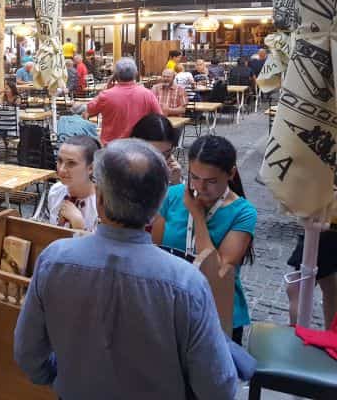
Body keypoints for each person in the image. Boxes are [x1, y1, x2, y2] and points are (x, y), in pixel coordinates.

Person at [15, 139, 238, 399]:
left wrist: (60, 375)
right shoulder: (186, 283)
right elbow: (218, 387)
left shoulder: (54, 260)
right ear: (156, 208)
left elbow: (27, 353)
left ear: (99, 200)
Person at [151, 135, 257, 344]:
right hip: (171, 306)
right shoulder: (172, 196)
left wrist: (197, 216)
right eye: (195, 177)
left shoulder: (243, 212)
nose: (200, 187)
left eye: (211, 181)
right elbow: (156, 251)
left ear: (231, 174)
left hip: (217, 311)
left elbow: (218, 272)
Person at [83, 58, 161, 145]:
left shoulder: (106, 95)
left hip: (111, 147)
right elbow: (159, 118)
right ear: (135, 74)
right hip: (138, 146)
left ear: (116, 76)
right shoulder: (148, 94)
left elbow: (88, 111)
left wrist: (106, 89)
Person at [286, 209, 337, 329]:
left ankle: (298, 335)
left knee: (297, 288)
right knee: (329, 283)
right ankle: (331, 335)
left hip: (325, 226)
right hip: (326, 224)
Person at [46, 137, 99, 231]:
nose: (61, 170)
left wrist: (78, 224)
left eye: (71, 163)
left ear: (90, 168)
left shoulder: (101, 204)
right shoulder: (55, 191)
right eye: (59, 161)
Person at [130, 113, 182, 185]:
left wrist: (176, 182)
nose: (160, 162)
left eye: (166, 154)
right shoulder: (121, 173)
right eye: (153, 154)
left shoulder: (170, 171)